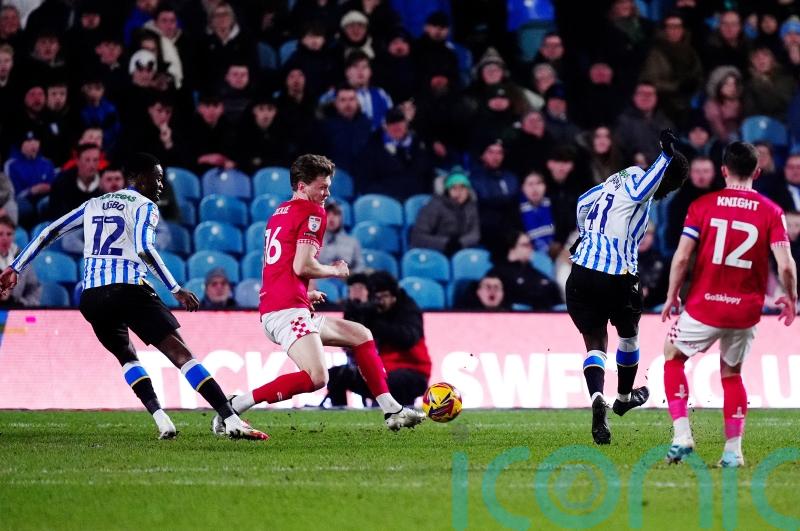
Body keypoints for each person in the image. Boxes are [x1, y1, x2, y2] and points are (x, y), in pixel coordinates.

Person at [0, 153, 267, 441]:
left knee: (127, 357)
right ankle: (231, 419)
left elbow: (49, 231)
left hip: (92, 296)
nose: (161, 184)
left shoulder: (93, 204)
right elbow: (144, 248)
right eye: (157, 177)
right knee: (182, 354)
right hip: (127, 289)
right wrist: (175, 288)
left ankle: (162, 419)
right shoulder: (144, 206)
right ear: (139, 178)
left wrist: (16, 266)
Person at [211, 154, 424, 433]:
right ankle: (234, 405)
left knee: (360, 335)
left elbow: (281, 265)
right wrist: (335, 270)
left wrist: (304, 293)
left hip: (283, 304)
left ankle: (392, 410)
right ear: (302, 186)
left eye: (328, 187)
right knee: (316, 377)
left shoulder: (280, 212)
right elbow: (303, 265)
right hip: (286, 310)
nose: (327, 194)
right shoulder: (312, 212)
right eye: (322, 187)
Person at [661, 141, 797, 468]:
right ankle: (733, 451)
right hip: (745, 311)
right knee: (732, 374)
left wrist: (672, 294)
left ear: (723, 171)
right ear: (757, 172)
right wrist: (791, 297)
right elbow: (786, 265)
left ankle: (682, 436)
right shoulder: (772, 212)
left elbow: (682, 257)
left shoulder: (702, 206)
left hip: (705, 305)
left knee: (673, 356)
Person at [567, 129, 689, 445]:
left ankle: (597, 397)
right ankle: (622, 397)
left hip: (581, 270)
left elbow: (582, 202)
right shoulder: (640, 183)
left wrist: (585, 235)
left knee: (595, 343)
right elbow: (640, 192)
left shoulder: (614, 180)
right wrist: (665, 156)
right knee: (628, 335)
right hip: (617, 275)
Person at [327, 271, 431, 407]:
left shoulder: (408, 309)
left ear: (394, 295)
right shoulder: (371, 311)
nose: (381, 301)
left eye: (385, 296)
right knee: (336, 375)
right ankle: (339, 413)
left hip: (412, 370)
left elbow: (408, 339)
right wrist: (353, 313)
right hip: (380, 370)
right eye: (377, 297)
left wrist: (376, 323)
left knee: (388, 383)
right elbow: (348, 343)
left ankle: (388, 414)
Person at [410, 170, 480, 256]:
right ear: (447, 190)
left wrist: (460, 243)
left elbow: (475, 233)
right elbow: (417, 237)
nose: (459, 192)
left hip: (462, 251)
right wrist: (446, 243)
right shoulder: (435, 206)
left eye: (462, 188)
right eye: (454, 188)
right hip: (435, 252)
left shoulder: (471, 206)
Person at [0, 215, 40, 307]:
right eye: (0, 234)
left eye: (9, 234)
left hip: (16, 309)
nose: (5, 238)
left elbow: (34, 289)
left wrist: (21, 304)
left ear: (13, 236)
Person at [318, 201, 363, 272]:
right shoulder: (315, 241)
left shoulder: (352, 242)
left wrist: (351, 274)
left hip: (346, 277)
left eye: (335, 214)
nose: (331, 218)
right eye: (327, 214)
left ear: (342, 218)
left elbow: (360, 266)